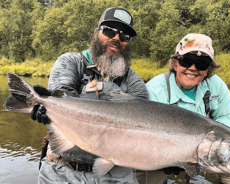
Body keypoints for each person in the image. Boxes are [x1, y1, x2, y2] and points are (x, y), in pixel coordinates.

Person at [31, 7, 149, 184]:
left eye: (124, 36)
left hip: (116, 174)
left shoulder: (135, 83)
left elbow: (141, 126)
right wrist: (50, 109)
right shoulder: (71, 62)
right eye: (109, 31)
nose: (116, 38)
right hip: (63, 169)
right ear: (96, 33)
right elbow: (64, 105)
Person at [146, 33, 230, 184]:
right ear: (174, 63)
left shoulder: (215, 84)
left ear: (208, 69)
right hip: (163, 152)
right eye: (187, 61)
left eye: (201, 63)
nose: (192, 68)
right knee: (144, 172)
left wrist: (213, 139)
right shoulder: (154, 89)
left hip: (204, 150)